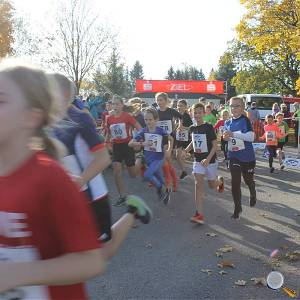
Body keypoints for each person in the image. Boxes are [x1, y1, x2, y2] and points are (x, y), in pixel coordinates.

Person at [0, 60, 151, 299]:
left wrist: (78, 181)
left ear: (65, 94)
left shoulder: (80, 118)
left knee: (101, 251)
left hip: (91, 193)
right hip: (61, 193)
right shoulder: (44, 127)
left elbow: (102, 158)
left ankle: (132, 210)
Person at [182, 103, 224, 224]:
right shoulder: (192, 128)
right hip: (198, 161)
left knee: (212, 185)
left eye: (200, 112)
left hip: (210, 161)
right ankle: (199, 214)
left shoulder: (208, 127)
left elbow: (215, 146)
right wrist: (185, 151)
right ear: (192, 114)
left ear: (204, 114)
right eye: (195, 113)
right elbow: (193, 142)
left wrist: (208, 159)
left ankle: (220, 181)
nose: (197, 115)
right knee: (198, 184)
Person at [129, 108, 171, 205]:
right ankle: (167, 191)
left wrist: (169, 149)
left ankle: (160, 189)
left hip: (158, 159)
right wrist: (143, 143)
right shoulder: (143, 131)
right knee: (160, 179)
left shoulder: (161, 131)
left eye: (150, 120)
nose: (148, 122)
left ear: (156, 120)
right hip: (148, 159)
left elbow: (170, 139)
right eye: (146, 120)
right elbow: (130, 143)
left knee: (147, 175)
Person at [223, 97, 257, 219]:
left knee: (248, 181)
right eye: (232, 106)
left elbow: (251, 137)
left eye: (237, 106)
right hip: (234, 156)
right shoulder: (227, 122)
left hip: (247, 157)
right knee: (235, 181)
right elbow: (227, 139)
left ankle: (253, 192)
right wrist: (225, 138)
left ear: (242, 108)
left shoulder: (245, 120)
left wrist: (233, 134)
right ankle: (237, 207)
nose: (234, 108)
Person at [106, 95, 142, 206]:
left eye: (117, 104)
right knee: (117, 171)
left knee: (133, 174)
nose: (115, 106)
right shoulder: (109, 118)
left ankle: (140, 158)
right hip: (116, 146)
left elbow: (139, 128)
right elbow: (109, 132)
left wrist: (137, 141)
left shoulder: (127, 116)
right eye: (113, 104)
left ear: (122, 105)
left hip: (128, 145)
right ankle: (122, 196)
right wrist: (107, 142)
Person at [155, 92, 180, 195]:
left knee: (167, 160)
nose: (159, 102)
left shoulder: (171, 111)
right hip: (159, 138)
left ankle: (173, 182)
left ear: (166, 101)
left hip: (169, 138)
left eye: (161, 100)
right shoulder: (155, 112)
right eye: (157, 100)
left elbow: (180, 117)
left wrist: (177, 127)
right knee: (163, 161)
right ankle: (170, 180)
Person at [175, 99, 193, 179]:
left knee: (186, 155)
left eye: (181, 106)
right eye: (178, 105)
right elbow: (176, 126)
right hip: (179, 138)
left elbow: (191, 128)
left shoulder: (187, 116)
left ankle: (199, 169)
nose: (179, 107)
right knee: (177, 155)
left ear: (185, 107)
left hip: (186, 138)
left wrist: (183, 128)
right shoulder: (176, 115)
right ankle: (184, 171)